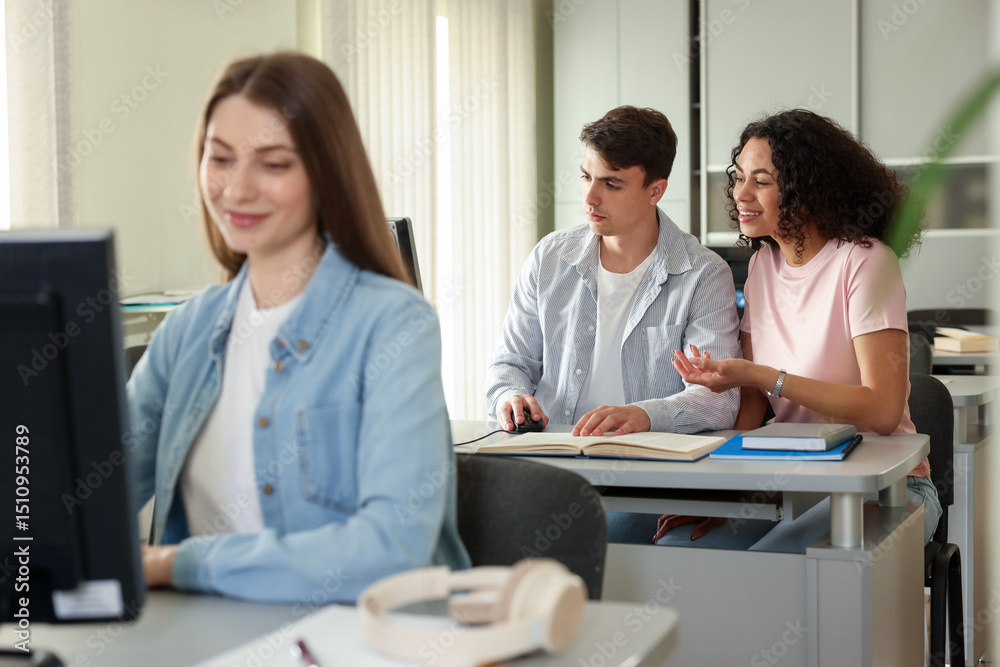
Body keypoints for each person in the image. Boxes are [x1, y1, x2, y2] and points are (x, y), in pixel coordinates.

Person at [131, 52, 469, 602]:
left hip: (359, 644)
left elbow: (392, 550)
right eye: (220, 159)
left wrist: (179, 562)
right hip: (205, 640)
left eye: (274, 163)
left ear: (326, 172)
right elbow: (83, 498)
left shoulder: (392, 324)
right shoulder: (187, 332)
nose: (237, 190)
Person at [663, 109, 941, 546]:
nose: (742, 193)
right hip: (792, 477)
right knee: (683, 547)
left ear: (806, 190)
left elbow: (884, 412)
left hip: (887, 489)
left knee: (777, 566)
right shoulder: (761, 265)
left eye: (762, 181)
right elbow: (753, 405)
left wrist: (760, 375)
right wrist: (719, 495)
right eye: (739, 178)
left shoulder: (864, 263)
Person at [484, 106, 741, 437]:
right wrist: (510, 396)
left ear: (656, 191)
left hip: (649, 469)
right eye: (586, 177)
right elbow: (510, 364)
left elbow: (718, 398)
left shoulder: (704, 275)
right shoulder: (549, 257)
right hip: (551, 459)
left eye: (611, 184)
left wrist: (645, 415)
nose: (590, 197)